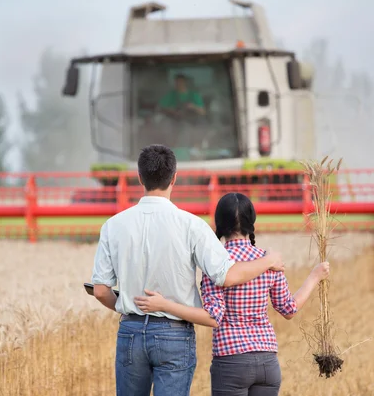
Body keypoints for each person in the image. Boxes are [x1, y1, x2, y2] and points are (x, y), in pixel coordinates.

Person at [90, 145, 285, 396]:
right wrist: (268, 261)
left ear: (139, 178)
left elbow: (100, 291)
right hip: (174, 335)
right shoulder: (192, 225)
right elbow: (227, 276)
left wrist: (129, 305)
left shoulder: (112, 226)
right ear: (174, 178)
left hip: (131, 333)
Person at [134, 192, 330, 396]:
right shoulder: (268, 260)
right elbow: (289, 309)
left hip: (231, 362)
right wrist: (315, 276)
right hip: (267, 362)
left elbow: (213, 317)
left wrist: (164, 305)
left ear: (218, 223)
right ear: (251, 221)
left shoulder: (216, 263)